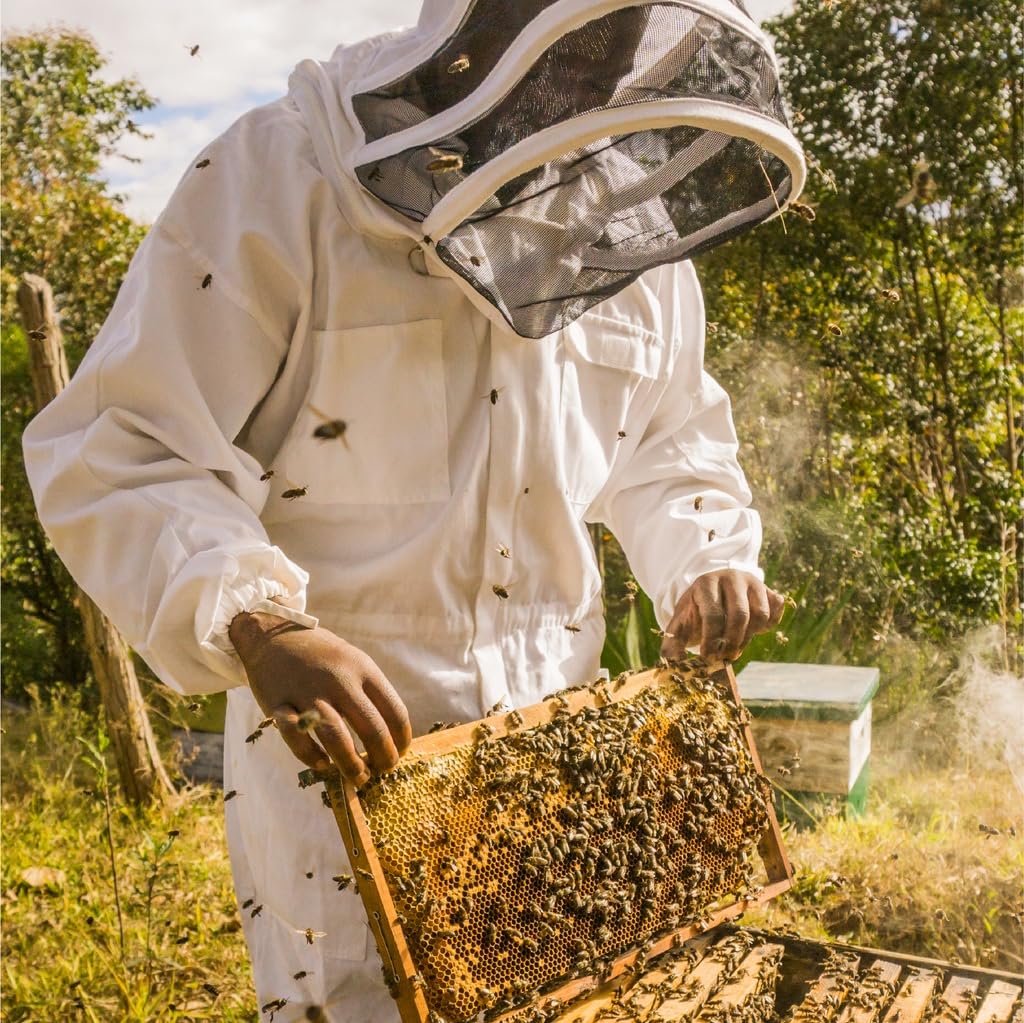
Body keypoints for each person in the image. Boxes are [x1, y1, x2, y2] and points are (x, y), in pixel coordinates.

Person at [23, 0, 805, 1018]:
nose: (592, 77)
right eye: (574, 46)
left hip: (555, 767)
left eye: (619, 49)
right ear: (483, 23)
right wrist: (258, 621)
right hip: (342, 771)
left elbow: (670, 443)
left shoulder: (628, 222)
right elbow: (123, 449)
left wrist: (703, 557)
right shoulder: (276, 176)